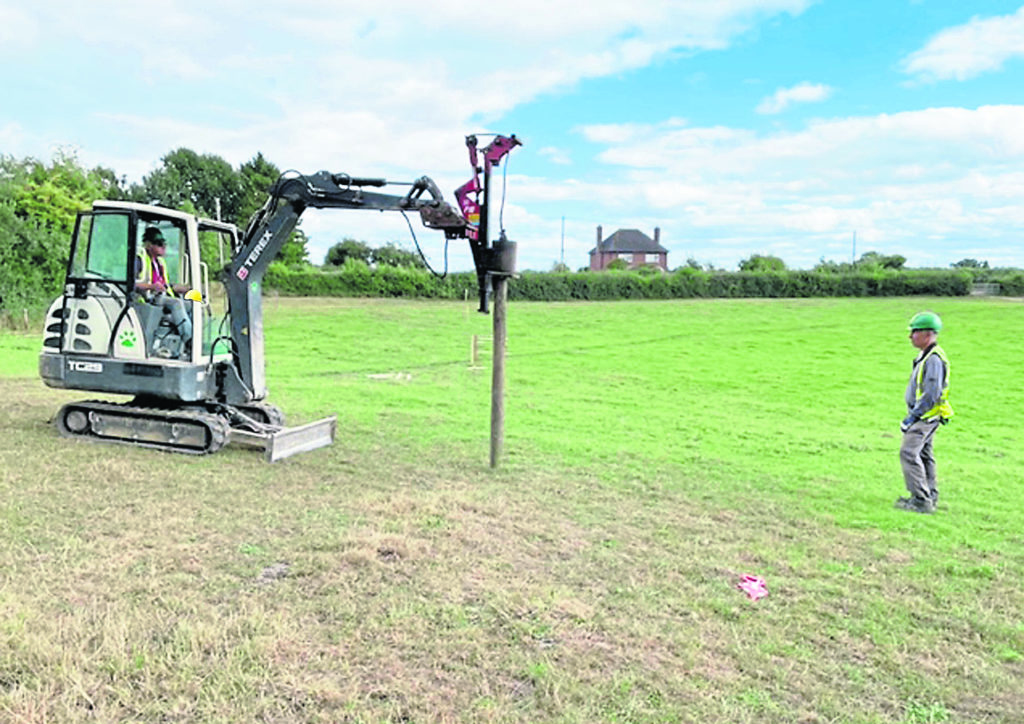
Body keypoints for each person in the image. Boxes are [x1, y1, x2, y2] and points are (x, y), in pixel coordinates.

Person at [896, 311, 954, 514]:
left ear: (927, 334)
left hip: (925, 416)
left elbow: (931, 393)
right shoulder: (927, 355)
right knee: (924, 454)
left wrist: (913, 416)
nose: (910, 336)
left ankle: (921, 500)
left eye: (914, 332)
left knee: (909, 453)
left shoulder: (933, 360)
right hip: (927, 415)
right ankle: (929, 496)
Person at [135, 226, 192, 352]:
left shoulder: (160, 263)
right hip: (146, 300)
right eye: (160, 244)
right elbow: (130, 283)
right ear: (149, 245)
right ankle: (189, 340)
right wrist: (151, 286)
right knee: (176, 303)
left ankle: (185, 344)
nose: (164, 247)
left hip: (161, 298)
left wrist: (184, 289)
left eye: (164, 243)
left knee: (192, 304)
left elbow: (165, 285)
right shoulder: (140, 260)